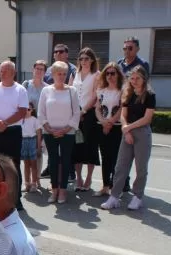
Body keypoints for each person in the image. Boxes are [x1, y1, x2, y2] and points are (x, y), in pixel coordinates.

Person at [101, 66, 156, 211]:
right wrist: (126, 130)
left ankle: (137, 197)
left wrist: (128, 128)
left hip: (142, 132)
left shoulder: (149, 95)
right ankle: (114, 197)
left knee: (141, 167)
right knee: (120, 166)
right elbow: (123, 115)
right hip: (127, 132)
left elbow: (147, 118)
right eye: (132, 78)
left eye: (138, 78)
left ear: (144, 79)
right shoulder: (127, 93)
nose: (134, 81)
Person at [0, 60, 29, 210]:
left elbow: (22, 111)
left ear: (13, 73)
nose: (2, 73)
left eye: (6, 71)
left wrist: (5, 123)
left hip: (13, 131)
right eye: (1, 71)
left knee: (13, 165)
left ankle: (16, 199)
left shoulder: (20, 90)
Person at [38, 61, 80, 204]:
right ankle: (54, 189)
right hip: (49, 132)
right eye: (59, 74)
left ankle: (63, 190)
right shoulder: (46, 91)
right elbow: (41, 112)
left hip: (68, 132)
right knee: (53, 161)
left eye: (64, 74)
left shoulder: (72, 91)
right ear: (53, 74)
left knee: (66, 160)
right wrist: (49, 129)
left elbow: (76, 113)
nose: (61, 77)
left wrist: (66, 129)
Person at [70, 47, 101, 192]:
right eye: (81, 59)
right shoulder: (74, 73)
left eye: (86, 59)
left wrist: (84, 110)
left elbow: (95, 95)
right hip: (75, 114)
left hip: (89, 115)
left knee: (90, 146)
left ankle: (89, 177)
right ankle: (79, 178)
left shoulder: (96, 75)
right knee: (77, 146)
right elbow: (70, 91)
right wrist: (75, 111)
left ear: (92, 60)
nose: (83, 61)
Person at [94, 63, 126, 197]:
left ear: (118, 75)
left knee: (116, 158)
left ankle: (116, 188)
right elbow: (97, 108)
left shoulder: (123, 90)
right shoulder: (101, 90)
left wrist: (111, 122)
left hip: (117, 127)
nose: (110, 76)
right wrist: (103, 122)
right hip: (102, 126)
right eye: (107, 73)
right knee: (105, 157)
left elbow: (122, 108)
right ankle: (105, 186)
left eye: (113, 73)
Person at [21, 102, 42, 192]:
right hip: (23, 141)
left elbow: (39, 134)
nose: (27, 111)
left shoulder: (35, 120)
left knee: (33, 164)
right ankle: (27, 184)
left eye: (29, 109)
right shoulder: (20, 120)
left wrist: (38, 147)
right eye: (25, 109)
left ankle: (34, 184)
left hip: (32, 141)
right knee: (26, 164)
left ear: (32, 110)